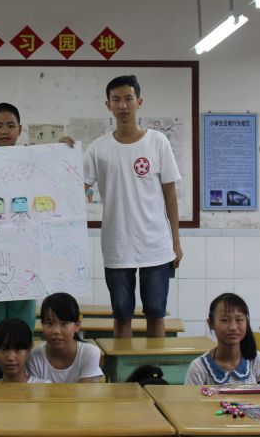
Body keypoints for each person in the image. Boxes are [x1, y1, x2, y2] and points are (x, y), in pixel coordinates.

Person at [82, 75, 181, 338]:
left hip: (156, 246)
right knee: (121, 315)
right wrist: (64, 153)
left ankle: (155, 365)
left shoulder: (158, 142)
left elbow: (170, 194)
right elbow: (75, 188)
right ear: (108, 105)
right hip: (117, 245)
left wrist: (176, 242)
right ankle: (121, 367)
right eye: (116, 100)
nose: (123, 105)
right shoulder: (98, 149)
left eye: (128, 98)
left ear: (139, 101)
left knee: (156, 314)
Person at [0, 102, 37, 341]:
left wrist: (64, 149)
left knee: (23, 316)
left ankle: (23, 361)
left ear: (20, 129)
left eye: (11, 125)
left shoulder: (33, 160)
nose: (4, 131)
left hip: (25, 249)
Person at [184, 292, 260, 385]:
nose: (233, 327)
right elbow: (189, 395)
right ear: (211, 323)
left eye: (239, 320)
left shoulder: (256, 360)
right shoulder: (199, 368)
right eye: (224, 320)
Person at [26, 292, 103, 383]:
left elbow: (85, 391)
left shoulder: (89, 353)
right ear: (42, 324)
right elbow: (36, 391)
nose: (56, 331)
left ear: (77, 326)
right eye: (49, 323)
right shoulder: (34, 356)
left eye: (64, 324)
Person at [0, 318, 50, 384]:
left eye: (18, 349)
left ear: (29, 350)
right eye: (4, 349)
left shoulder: (44, 386)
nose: (11, 358)